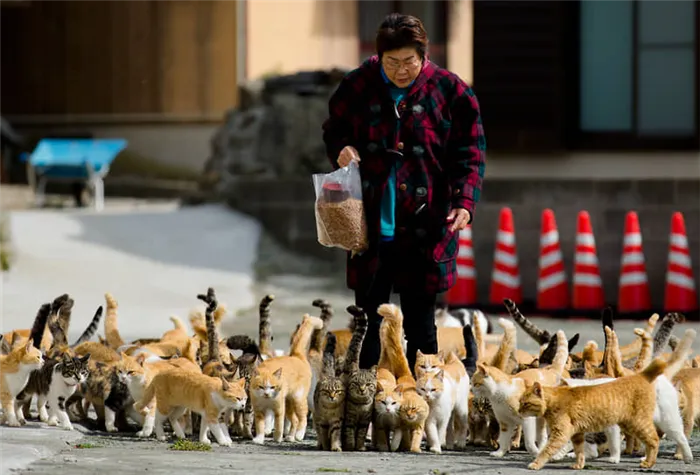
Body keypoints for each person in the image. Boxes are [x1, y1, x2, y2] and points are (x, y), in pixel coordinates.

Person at [321, 13, 486, 373]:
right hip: (369, 225)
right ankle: (365, 407)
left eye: (408, 61)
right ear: (379, 57)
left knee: (422, 328)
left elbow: (470, 155)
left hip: (427, 226)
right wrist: (342, 149)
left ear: (424, 55)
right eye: (391, 62)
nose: (400, 70)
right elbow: (333, 129)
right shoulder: (357, 85)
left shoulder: (452, 91)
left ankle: (421, 412)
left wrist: (464, 204)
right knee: (366, 325)